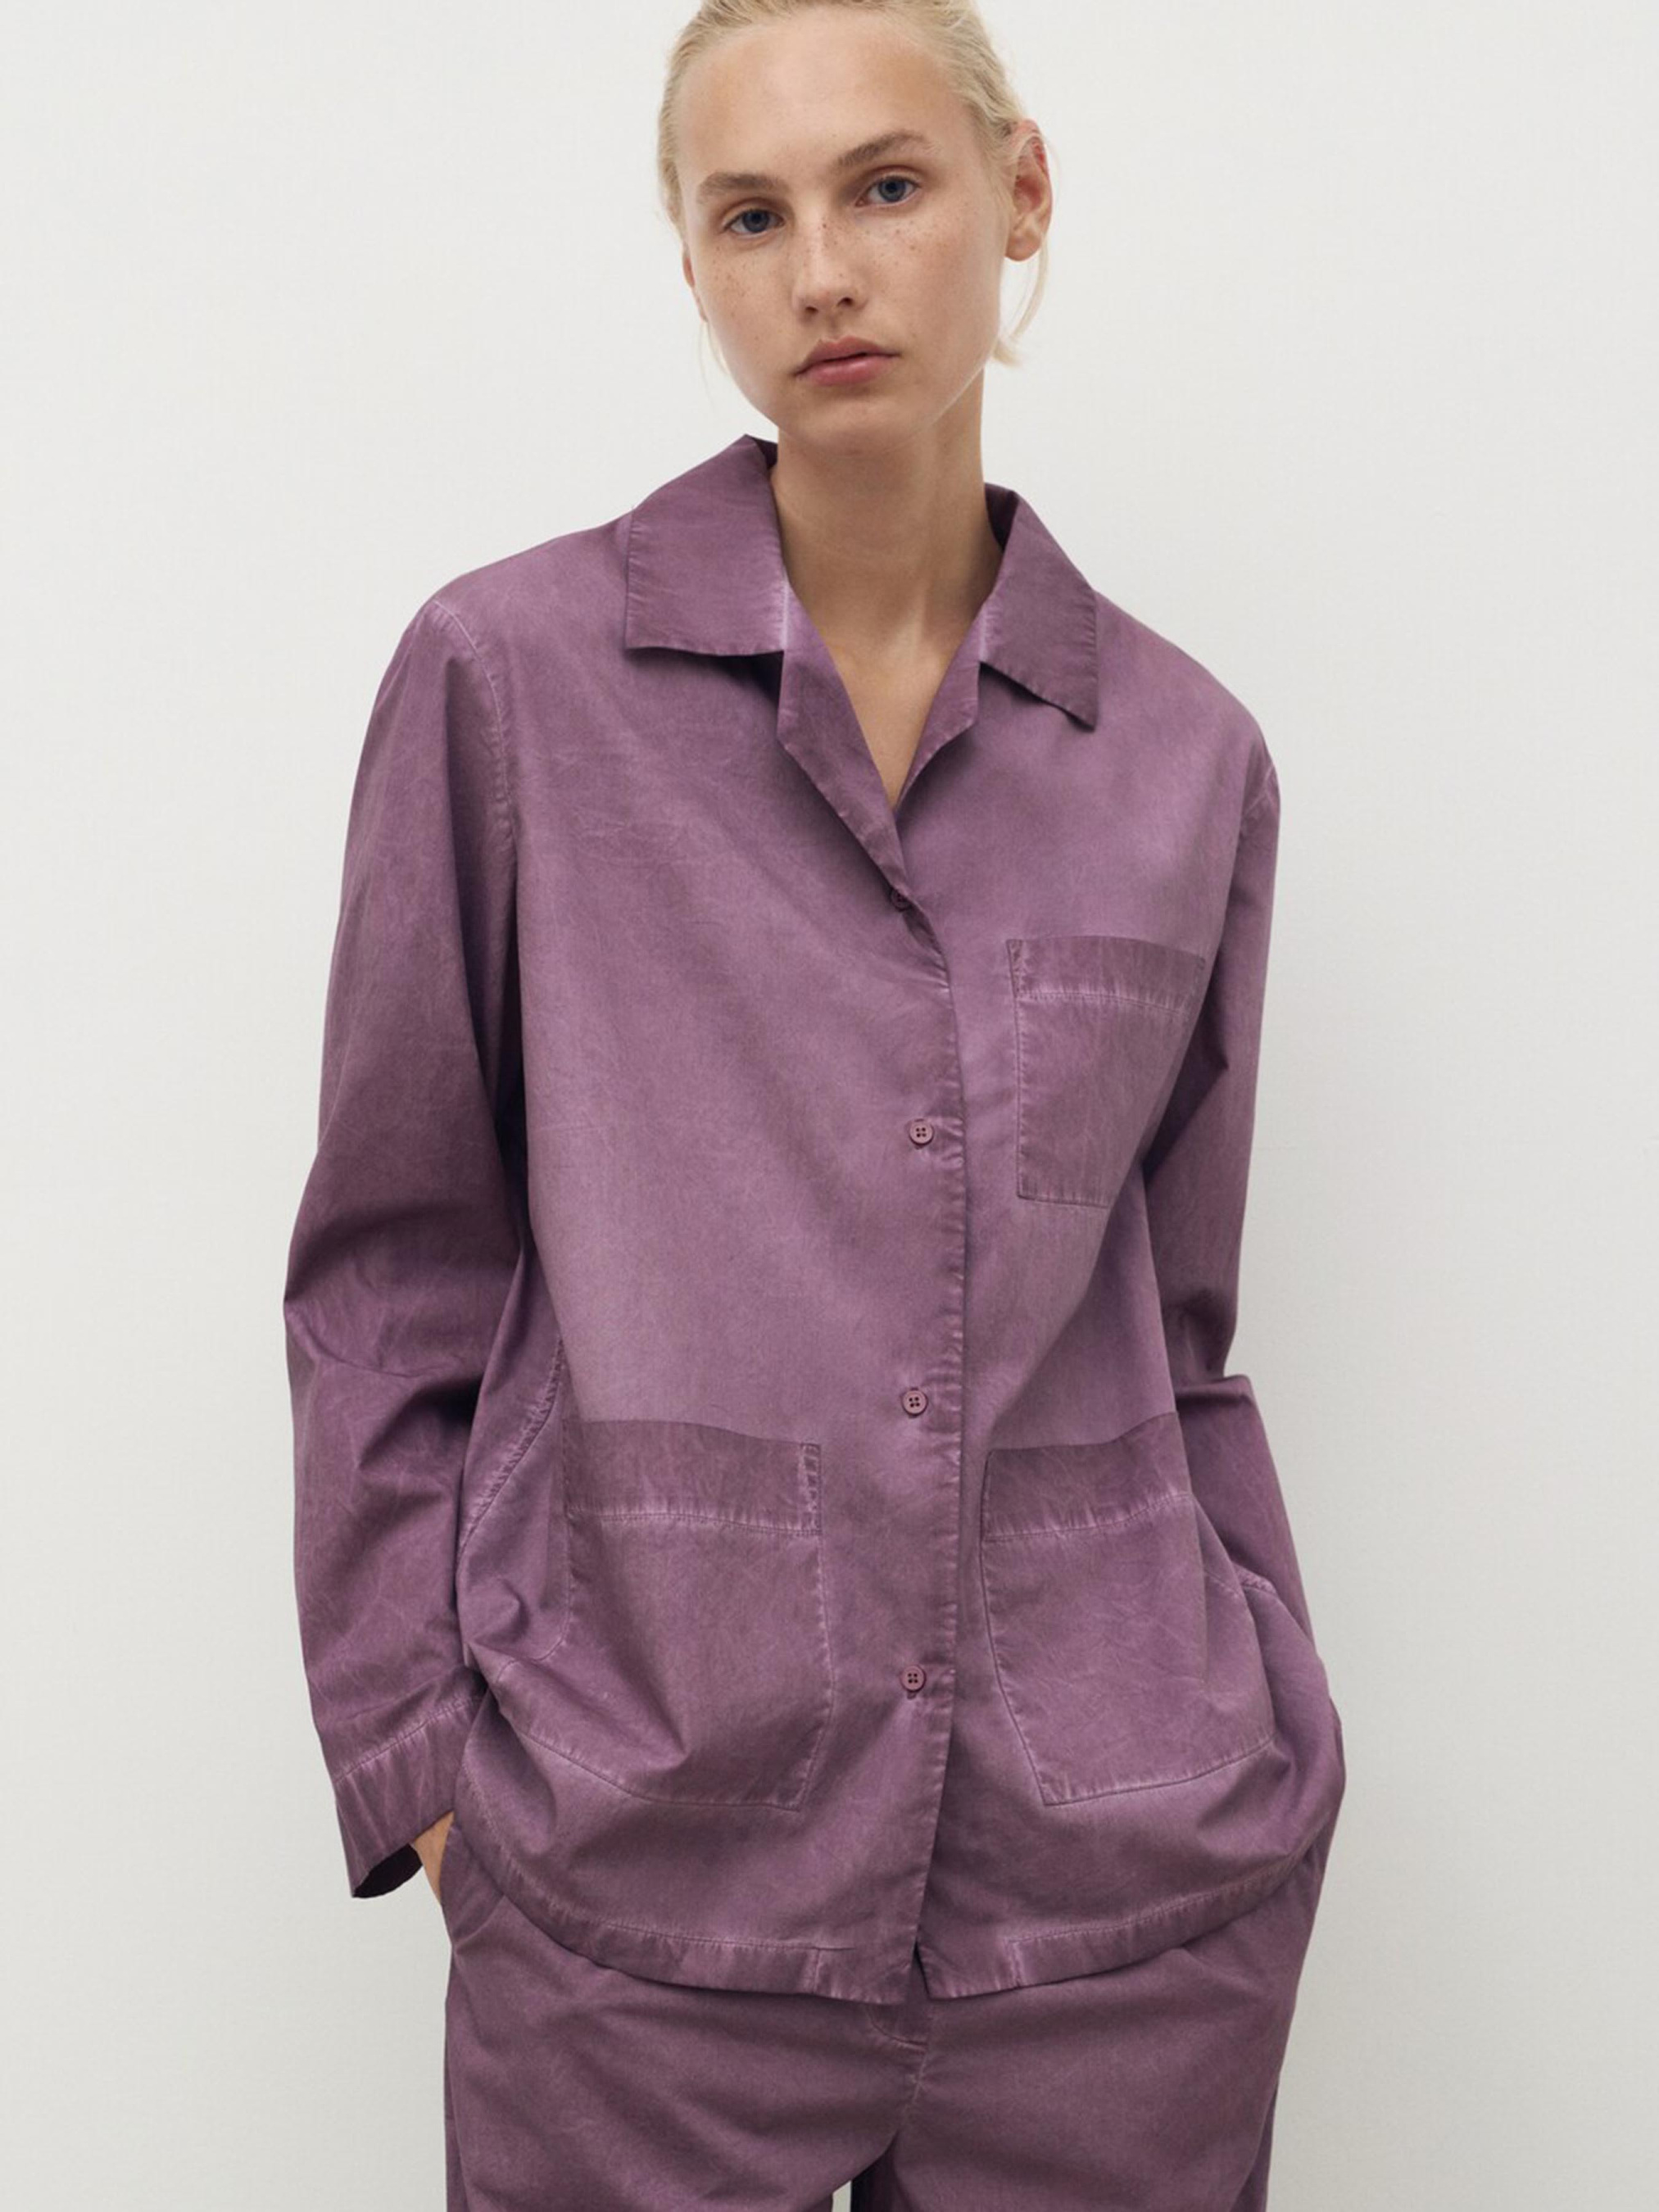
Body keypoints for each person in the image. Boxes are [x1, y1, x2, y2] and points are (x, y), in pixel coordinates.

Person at [283, 2, 1348, 2205]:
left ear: (1018, 194)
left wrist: (1265, 1724)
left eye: (886, 186)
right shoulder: (509, 685)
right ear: (689, 259)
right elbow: (393, 1269)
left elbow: (1170, 1324)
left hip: (1121, 1908)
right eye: (750, 216)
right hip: (634, 1897)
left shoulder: (1184, 759)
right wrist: (429, 1772)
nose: (824, 272)